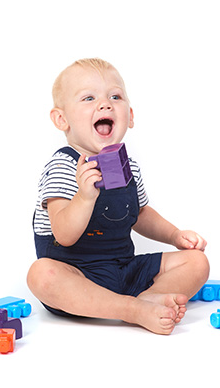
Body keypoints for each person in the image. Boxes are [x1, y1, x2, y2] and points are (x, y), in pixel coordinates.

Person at [27, 58, 210, 335]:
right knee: (41, 274)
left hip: (123, 269)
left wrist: (174, 235)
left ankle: (149, 299)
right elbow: (63, 234)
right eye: (88, 98)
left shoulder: (128, 166)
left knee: (197, 262)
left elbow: (140, 214)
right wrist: (84, 197)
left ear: (131, 115)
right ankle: (131, 309)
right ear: (61, 119)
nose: (105, 104)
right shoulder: (64, 166)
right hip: (77, 274)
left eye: (115, 96)